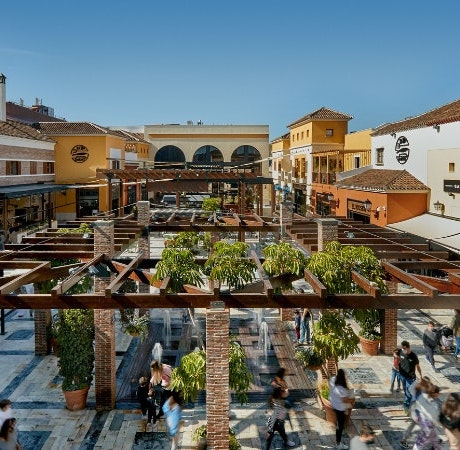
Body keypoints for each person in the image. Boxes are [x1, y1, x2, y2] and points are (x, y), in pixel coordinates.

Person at [400, 376, 432, 449]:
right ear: (425, 383)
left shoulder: (419, 388)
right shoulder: (422, 390)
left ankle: (404, 440)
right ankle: (431, 441)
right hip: (417, 410)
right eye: (428, 382)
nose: (429, 384)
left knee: (413, 425)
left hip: (415, 408)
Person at [329, 368, 354, 450]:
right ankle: (338, 443)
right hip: (340, 408)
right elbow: (346, 400)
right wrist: (352, 398)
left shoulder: (332, 380)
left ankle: (338, 441)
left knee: (340, 422)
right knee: (340, 426)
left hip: (333, 404)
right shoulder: (342, 389)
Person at [398, 340, 423, 413]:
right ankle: (408, 400)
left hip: (410, 377)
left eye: (404, 348)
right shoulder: (400, 352)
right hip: (402, 375)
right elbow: (398, 357)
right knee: (406, 390)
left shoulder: (414, 356)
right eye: (402, 348)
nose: (403, 349)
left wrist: (420, 375)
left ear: (408, 348)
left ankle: (406, 406)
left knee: (408, 392)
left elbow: (418, 366)